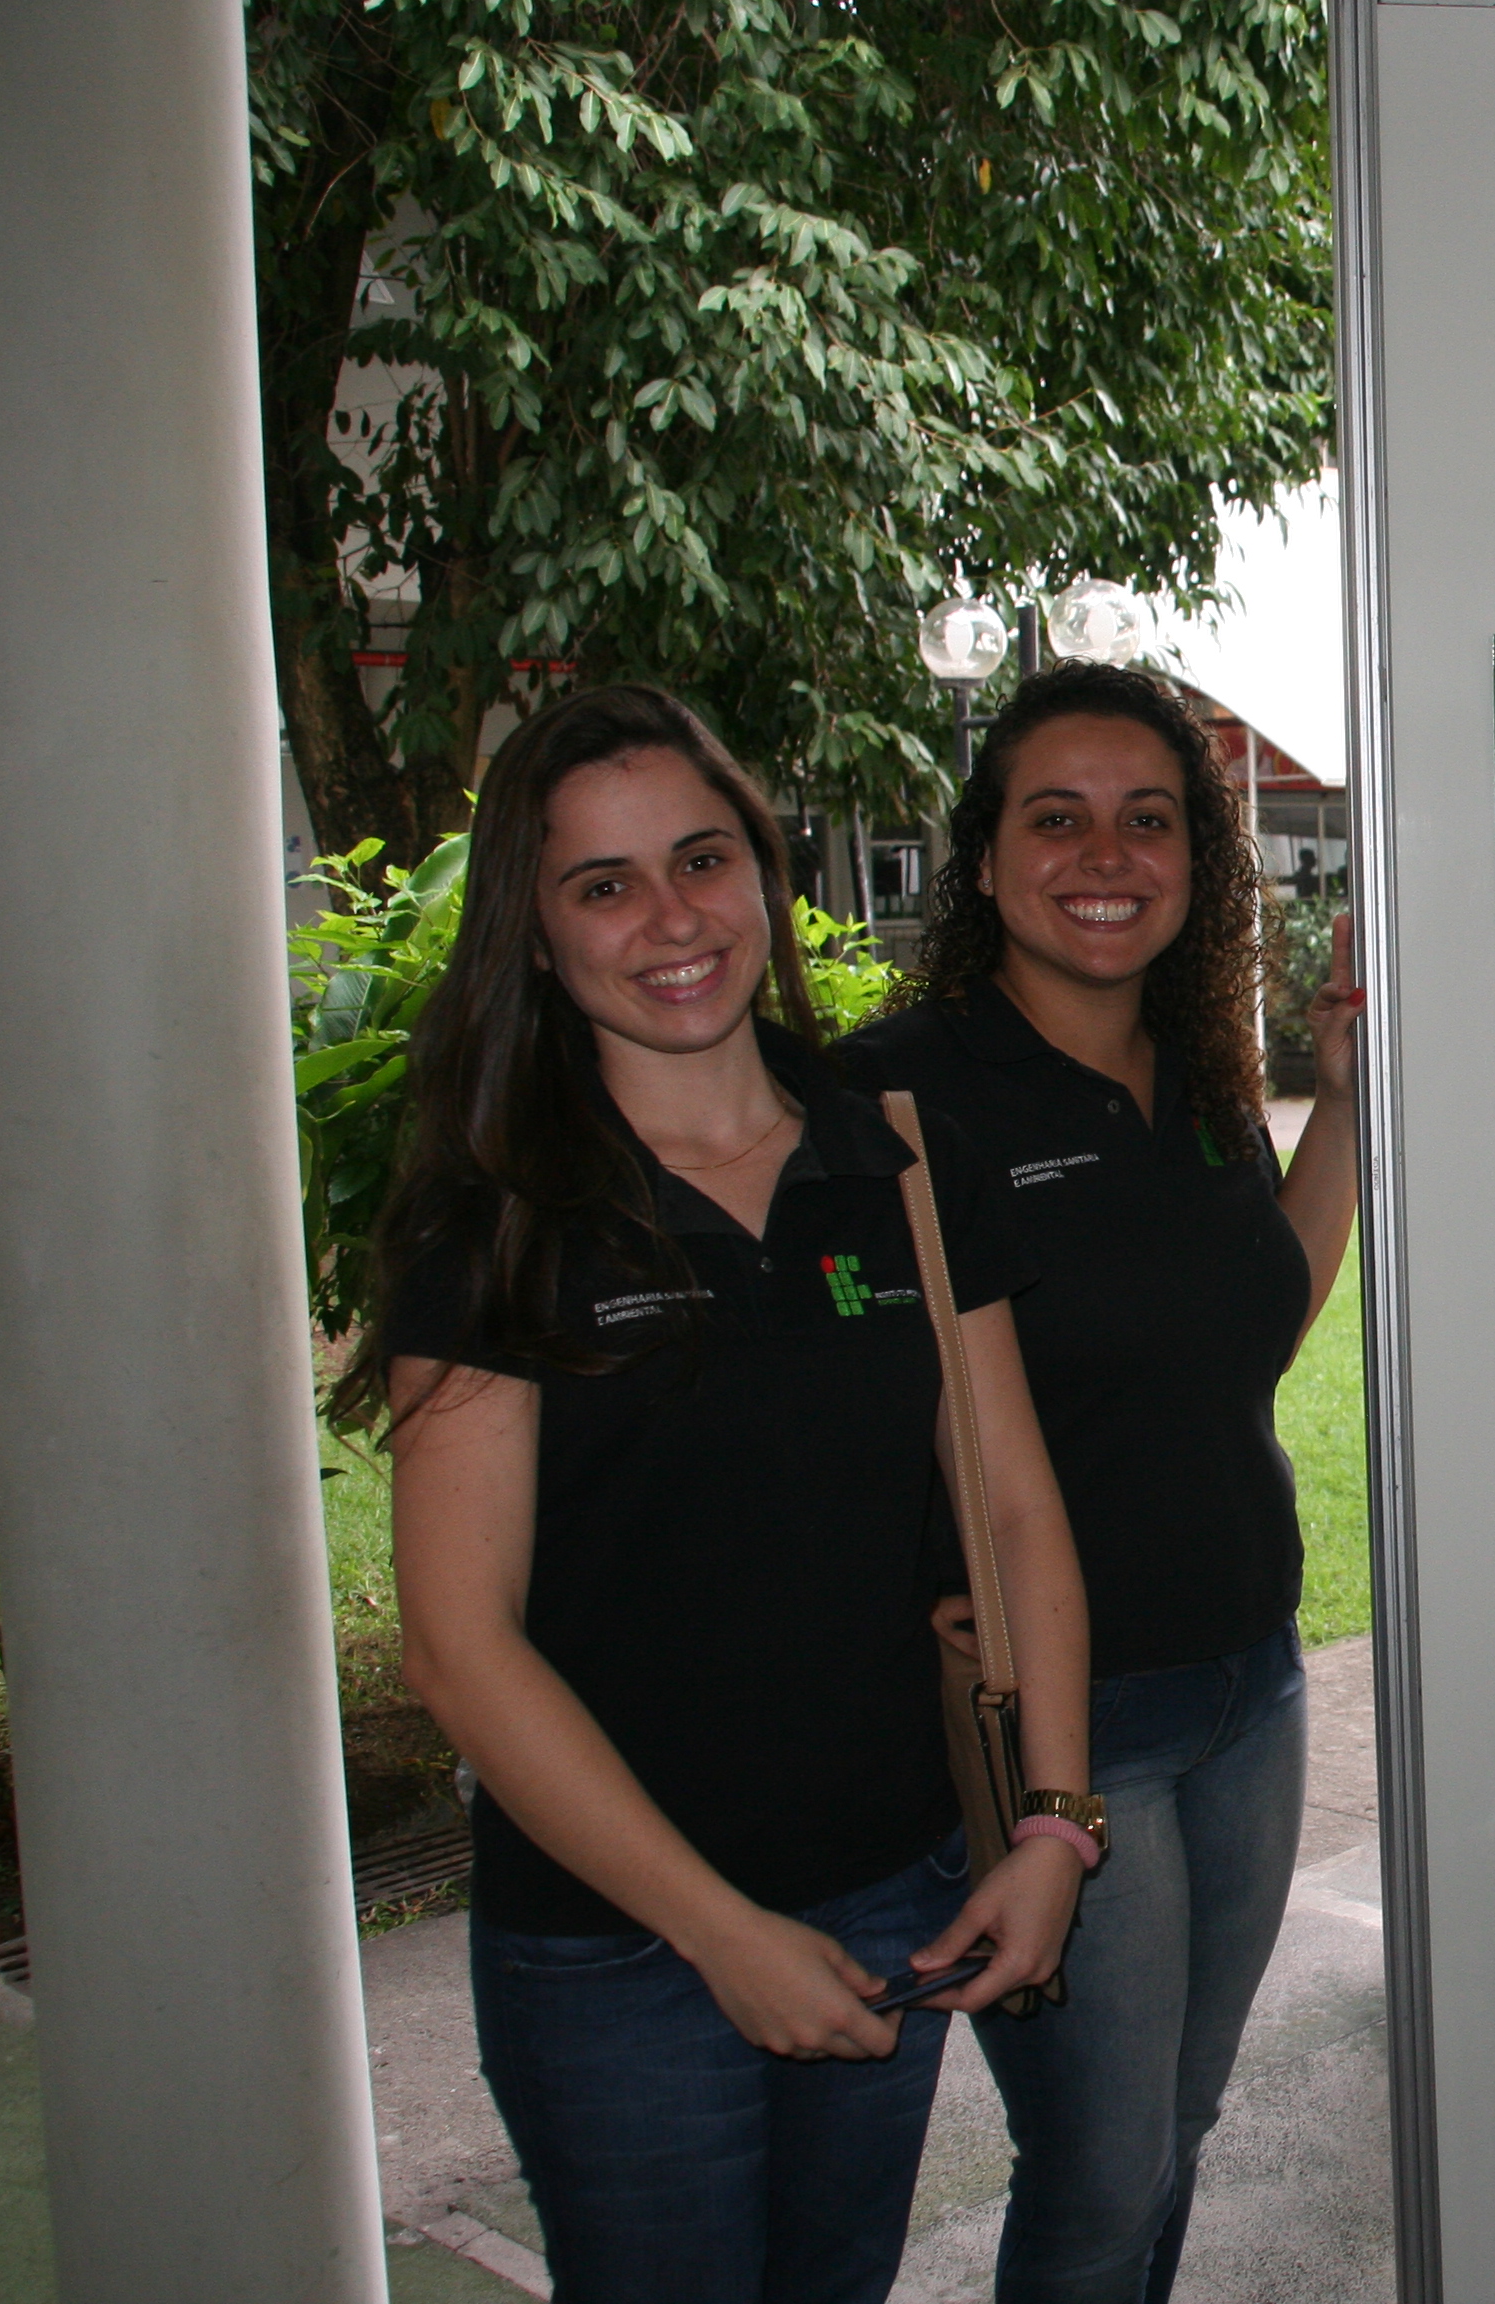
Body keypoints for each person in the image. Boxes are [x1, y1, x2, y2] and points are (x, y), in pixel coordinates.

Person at [344, 684, 1103, 2304]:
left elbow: (1019, 1512)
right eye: (602, 885)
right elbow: (460, 1649)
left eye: (701, 860)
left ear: (765, 870)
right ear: (534, 932)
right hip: (616, 1950)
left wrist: (1054, 1822)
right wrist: (716, 1930)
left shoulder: (901, 1163)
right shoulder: (501, 1221)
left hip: (893, 1896)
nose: (672, 920)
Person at [838, 661, 1360, 2304]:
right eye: (1056, 820)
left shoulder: (1196, 1074)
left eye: (1148, 820)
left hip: (1249, 1680)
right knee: (1101, 2169)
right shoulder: (893, 1094)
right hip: (1068, 1717)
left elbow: (1250, 1324)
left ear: (1200, 860)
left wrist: (1343, 1110)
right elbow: (830, 1406)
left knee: (1181, 2129)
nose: (1106, 856)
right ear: (986, 857)